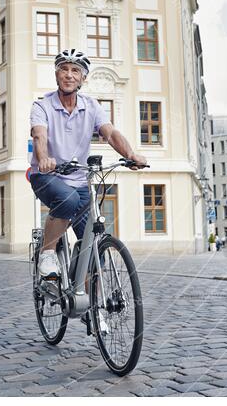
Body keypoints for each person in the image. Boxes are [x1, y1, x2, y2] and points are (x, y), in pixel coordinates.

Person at [30, 49, 147, 282]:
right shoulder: (42, 105)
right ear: (57, 75)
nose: (69, 75)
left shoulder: (91, 106)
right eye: (64, 69)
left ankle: (87, 306)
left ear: (83, 78)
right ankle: (48, 253)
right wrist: (43, 158)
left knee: (91, 244)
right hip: (46, 176)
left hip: (80, 179)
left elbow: (111, 133)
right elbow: (39, 136)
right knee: (68, 200)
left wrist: (131, 154)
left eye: (75, 70)